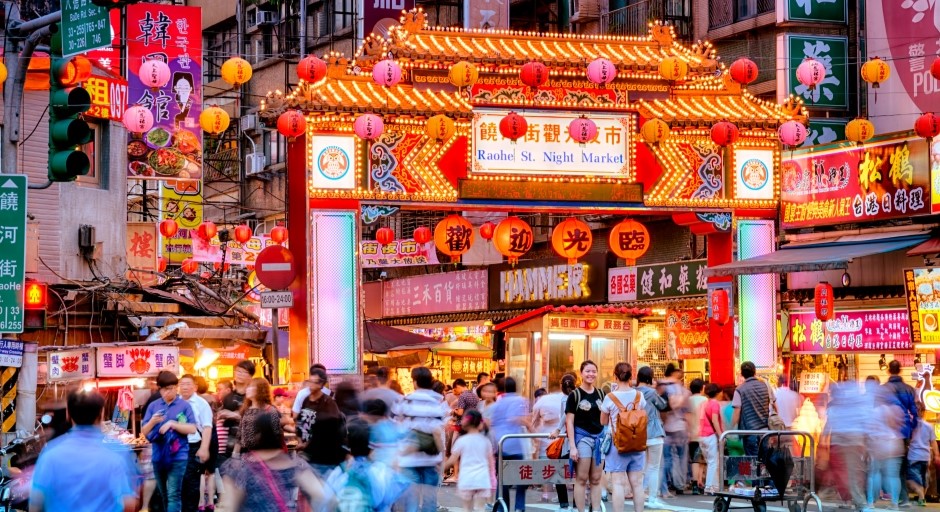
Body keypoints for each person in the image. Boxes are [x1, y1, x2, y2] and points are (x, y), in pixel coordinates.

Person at [31, 390, 140, 512]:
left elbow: (36, 503)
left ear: (68, 415)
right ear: (101, 414)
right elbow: (128, 503)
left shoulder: (50, 453)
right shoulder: (117, 451)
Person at [220, 406, 327, 512]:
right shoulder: (296, 464)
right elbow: (323, 497)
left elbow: (227, 507)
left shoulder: (239, 468)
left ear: (256, 435)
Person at [394, 366, 449, 512]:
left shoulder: (406, 402)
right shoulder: (436, 403)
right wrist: (441, 458)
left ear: (415, 382)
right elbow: (437, 432)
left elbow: (399, 428)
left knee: (411, 500)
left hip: (408, 458)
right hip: (431, 459)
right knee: (430, 499)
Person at [143, 371, 198, 512]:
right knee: (164, 495)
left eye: (170, 388)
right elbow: (144, 432)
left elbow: (192, 428)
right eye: (163, 389)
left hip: (178, 455)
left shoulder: (184, 406)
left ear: (175, 387)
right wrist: (153, 421)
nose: (166, 392)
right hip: (158, 455)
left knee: (174, 494)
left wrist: (173, 424)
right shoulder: (153, 406)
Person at [600, 362, 647, 512]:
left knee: (618, 483)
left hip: (617, 444)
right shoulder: (639, 395)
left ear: (615, 376)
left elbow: (603, 421)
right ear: (631, 376)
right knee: (637, 483)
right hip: (637, 443)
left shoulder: (610, 397)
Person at [567, 360, 606, 512]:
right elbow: (569, 422)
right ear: (581, 373)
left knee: (596, 479)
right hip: (582, 439)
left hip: (599, 439)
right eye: (588, 371)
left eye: (593, 371)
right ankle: (581, 510)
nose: (591, 374)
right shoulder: (574, 395)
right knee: (582, 479)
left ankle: (595, 509)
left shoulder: (601, 393)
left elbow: (605, 417)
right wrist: (572, 447)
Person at [487, 376, 531, 512]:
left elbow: (491, 423)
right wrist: (531, 428)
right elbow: (516, 418)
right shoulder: (520, 400)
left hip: (500, 444)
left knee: (503, 479)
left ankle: (501, 507)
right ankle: (519, 507)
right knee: (521, 478)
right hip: (516, 445)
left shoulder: (497, 403)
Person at [296, 367, 347, 478]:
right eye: (309, 381)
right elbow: (300, 421)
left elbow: (327, 430)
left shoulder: (328, 403)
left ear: (321, 385)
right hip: (307, 455)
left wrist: (307, 444)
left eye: (314, 383)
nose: (310, 385)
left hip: (322, 458)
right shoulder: (306, 400)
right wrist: (300, 440)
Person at [445, 410, 496, 512]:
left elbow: (452, 460)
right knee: (480, 508)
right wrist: (492, 479)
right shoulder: (486, 441)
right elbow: (491, 464)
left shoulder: (461, 440)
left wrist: (441, 468)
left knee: (467, 509)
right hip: (482, 479)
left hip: (466, 479)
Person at [883, 360, 919, 507]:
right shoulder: (909, 389)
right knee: (901, 467)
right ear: (900, 370)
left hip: (885, 433)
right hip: (903, 434)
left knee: (885, 466)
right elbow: (915, 413)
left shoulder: (883, 389)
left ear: (888, 371)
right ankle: (902, 498)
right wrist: (911, 429)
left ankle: (893, 497)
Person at [179, 374, 214, 512]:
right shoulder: (176, 402)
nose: (185, 387)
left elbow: (207, 427)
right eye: (182, 384)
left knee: (191, 482)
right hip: (176, 448)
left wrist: (204, 448)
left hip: (193, 446)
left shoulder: (201, 404)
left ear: (195, 386)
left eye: (188, 384)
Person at [636, 366, 668, 509]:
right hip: (654, 432)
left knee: (640, 467)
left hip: (637, 433)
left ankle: (640, 494)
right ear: (650, 377)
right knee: (654, 467)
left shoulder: (633, 392)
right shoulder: (652, 392)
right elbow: (662, 405)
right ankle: (652, 498)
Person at [658, 363, 690, 497]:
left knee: (667, 459)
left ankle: (665, 488)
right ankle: (679, 484)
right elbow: (681, 409)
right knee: (680, 458)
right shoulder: (681, 390)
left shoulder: (661, 386)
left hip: (665, 427)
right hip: (679, 427)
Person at [217, 361, 255, 471]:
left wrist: (235, 415)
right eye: (238, 371)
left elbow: (256, 417)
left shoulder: (252, 396)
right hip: (228, 446)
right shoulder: (227, 397)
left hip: (249, 447)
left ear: (250, 376)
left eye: (244, 372)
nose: (239, 374)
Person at [533, 385, 565, 503]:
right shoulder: (564, 399)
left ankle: (546, 494)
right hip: (561, 438)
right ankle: (562, 496)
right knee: (561, 468)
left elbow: (534, 422)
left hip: (545, 438)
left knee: (546, 468)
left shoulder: (541, 402)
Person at [731, 361, 770, 457]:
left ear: (742, 374)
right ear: (755, 372)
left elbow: (737, 412)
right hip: (765, 430)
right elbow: (773, 404)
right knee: (765, 459)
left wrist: (730, 429)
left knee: (752, 461)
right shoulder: (765, 385)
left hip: (749, 432)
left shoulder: (739, 389)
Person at [237, 378, 283, 454]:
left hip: (263, 455)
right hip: (245, 455)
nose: (247, 389)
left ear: (260, 390)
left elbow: (276, 436)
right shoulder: (246, 410)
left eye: (251, 386)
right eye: (247, 386)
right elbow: (239, 435)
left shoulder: (270, 410)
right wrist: (235, 455)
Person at [907, 402, 938, 507]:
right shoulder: (929, 426)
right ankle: (921, 500)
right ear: (924, 412)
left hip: (913, 456)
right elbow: (933, 442)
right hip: (925, 456)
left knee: (911, 479)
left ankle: (921, 497)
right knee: (923, 478)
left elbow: (907, 440)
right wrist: (937, 455)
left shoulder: (911, 425)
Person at [698, 383, 723, 495]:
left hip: (701, 435)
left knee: (710, 462)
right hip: (710, 435)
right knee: (713, 462)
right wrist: (721, 435)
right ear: (717, 393)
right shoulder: (715, 404)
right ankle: (709, 487)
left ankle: (714, 486)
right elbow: (715, 420)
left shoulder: (704, 403)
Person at [687, 378, 707, 496]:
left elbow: (687, 417)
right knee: (702, 460)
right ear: (702, 388)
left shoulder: (688, 400)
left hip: (692, 433)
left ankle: (695, 483)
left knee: (694, 459)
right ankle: (700, 482)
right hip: (704, 433)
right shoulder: (705, 400)